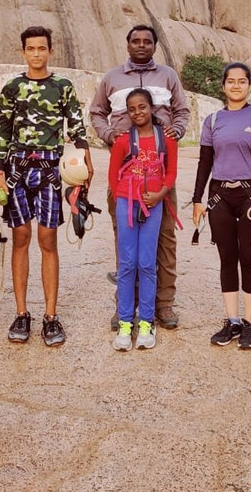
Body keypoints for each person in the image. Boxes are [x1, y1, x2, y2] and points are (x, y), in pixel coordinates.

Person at [0, 26, 92, 347]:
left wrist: (86, 166)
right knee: (20, 238)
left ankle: (50, 316)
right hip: (18, 171)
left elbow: (77, 128)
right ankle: (21, 313)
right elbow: (2, 131)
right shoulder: (12, 88)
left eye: (42, 48)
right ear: (22, 52)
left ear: (50, 51)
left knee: (48, 241)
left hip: (49, 171)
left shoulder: (62, 87)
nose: (36, 54)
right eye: (31, 49)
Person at [89, 23, 190, 329]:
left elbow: (182, 110)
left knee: (165, 239)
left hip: (159, 173)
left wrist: (178, 129)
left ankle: (163, 304)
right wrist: (109, 135)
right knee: (125, 239)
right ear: (128, 45)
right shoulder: (112, 78)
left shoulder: (168, 76)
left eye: (148, 41)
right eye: (136, 41)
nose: (142, 45)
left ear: (155, 46)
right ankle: (125, 305)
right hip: (125, 173)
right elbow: (96, 111)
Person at [192, 63, 251, 349]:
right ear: (223, 85)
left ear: (249, 85)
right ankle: (232, 321)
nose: (236, 86)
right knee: (227, 258)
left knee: (248, 257)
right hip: (220, 196)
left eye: (242, 81)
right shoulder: (213, 121)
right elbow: (205, 162)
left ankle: (250, 323)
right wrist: (197, 199)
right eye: (231, 81)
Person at [108, 88, 178, 350]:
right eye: (132, 109)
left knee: (148, 263)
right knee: (127, 263)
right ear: (127, 112)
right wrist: (124, 199)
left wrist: (159, 194)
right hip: (128, 204)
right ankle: (126, 322)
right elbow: (114, 175)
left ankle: (147, 321)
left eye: (142, 107)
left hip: (155, 203)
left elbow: (170, 173)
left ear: (152, 108)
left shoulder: (166, 140)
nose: (138, 112)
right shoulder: (123, 141)